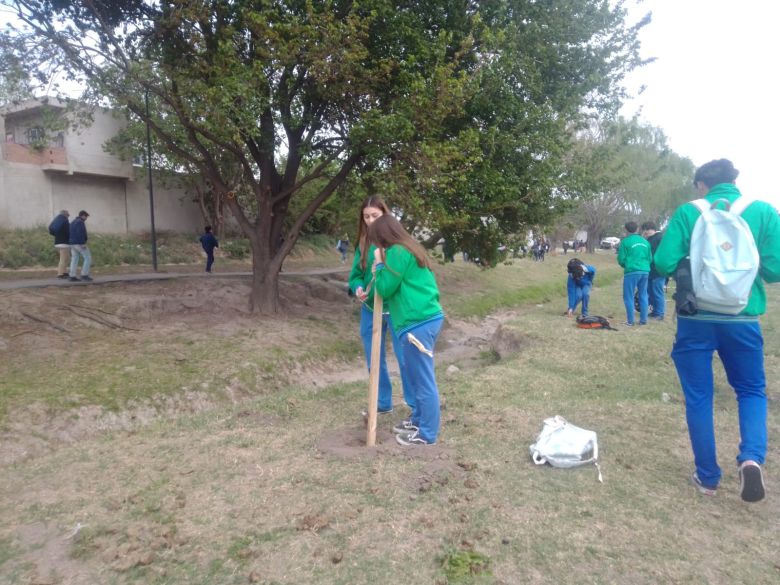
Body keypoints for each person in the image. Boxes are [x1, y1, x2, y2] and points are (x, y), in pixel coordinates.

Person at [654, 159, 780, 502]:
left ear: (701, 185)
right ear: (735, 182)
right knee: (752, 390)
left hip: (696, 317)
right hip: (742, 318)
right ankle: (751, 458)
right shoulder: (764, 212)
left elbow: (663, 262)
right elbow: (774, 271)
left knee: (699, 396)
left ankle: (708, 477)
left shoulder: (687, 212)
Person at [369, 214, 444, 446]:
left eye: (376, 241)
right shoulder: (410, 248)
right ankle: (419, 419)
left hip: (417, 322)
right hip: (421, 320)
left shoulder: (398, 253)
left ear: (383, 237)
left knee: (422, 379)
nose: (376, 246)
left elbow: (385, 287)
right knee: (414, 375)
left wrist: (379, 263)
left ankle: (427, 434)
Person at [349, 197, 413, 418]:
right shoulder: (363, 243)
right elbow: (356, 275)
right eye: (366, 216)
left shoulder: (396, 244)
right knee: (373, 357)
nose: (369, 221)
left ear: (385, 215)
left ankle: (414, 402)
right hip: (370, 308)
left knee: (404, 356)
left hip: (395, 308)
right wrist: (358, 287)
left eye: (374, 216)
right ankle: (382, 402)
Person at [617, 221, 651, 326]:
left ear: (626, 230)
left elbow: (621, 259)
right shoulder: (646, 242)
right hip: (645, 271)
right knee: (643, 295)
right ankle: (643, 320)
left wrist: (626, 265)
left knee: (628, 296)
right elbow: (650, 258)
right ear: (637, 229)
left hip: (632, 271)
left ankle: (630, 321)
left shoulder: (625, 242)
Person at [641, 221, 665, 320]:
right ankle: (655, 311)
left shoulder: (660, 238)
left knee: (657, 292)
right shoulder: (649, 239)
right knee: (651, 292)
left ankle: (660, 313)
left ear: (652, 229)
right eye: (644, 230)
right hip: (650, 270)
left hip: (658, 270)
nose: (645, 232)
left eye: (647, 230)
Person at [68, 210, 92, 282]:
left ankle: (72, 276)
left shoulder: (73, 222)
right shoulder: (80, 222)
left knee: (74, 259)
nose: (86, 218)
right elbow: (80, 233)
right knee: (88, 257)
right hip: (78, 243)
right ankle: (84, 275)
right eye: (86, 216)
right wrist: (82, 243)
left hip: (72, 243)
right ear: (83, 215)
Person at [48, 209, 71, 278]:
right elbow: (68, 232)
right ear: (65, 215)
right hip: (64, 243)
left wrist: (57, 236)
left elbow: (51, 230)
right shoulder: (65, 221)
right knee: (63, 258)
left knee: (66, 258)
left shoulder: (57, 221)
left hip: (57, 242)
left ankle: (64, 272)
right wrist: (71, 238)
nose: (68, 216)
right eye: (68, 215)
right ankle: (60, 274)